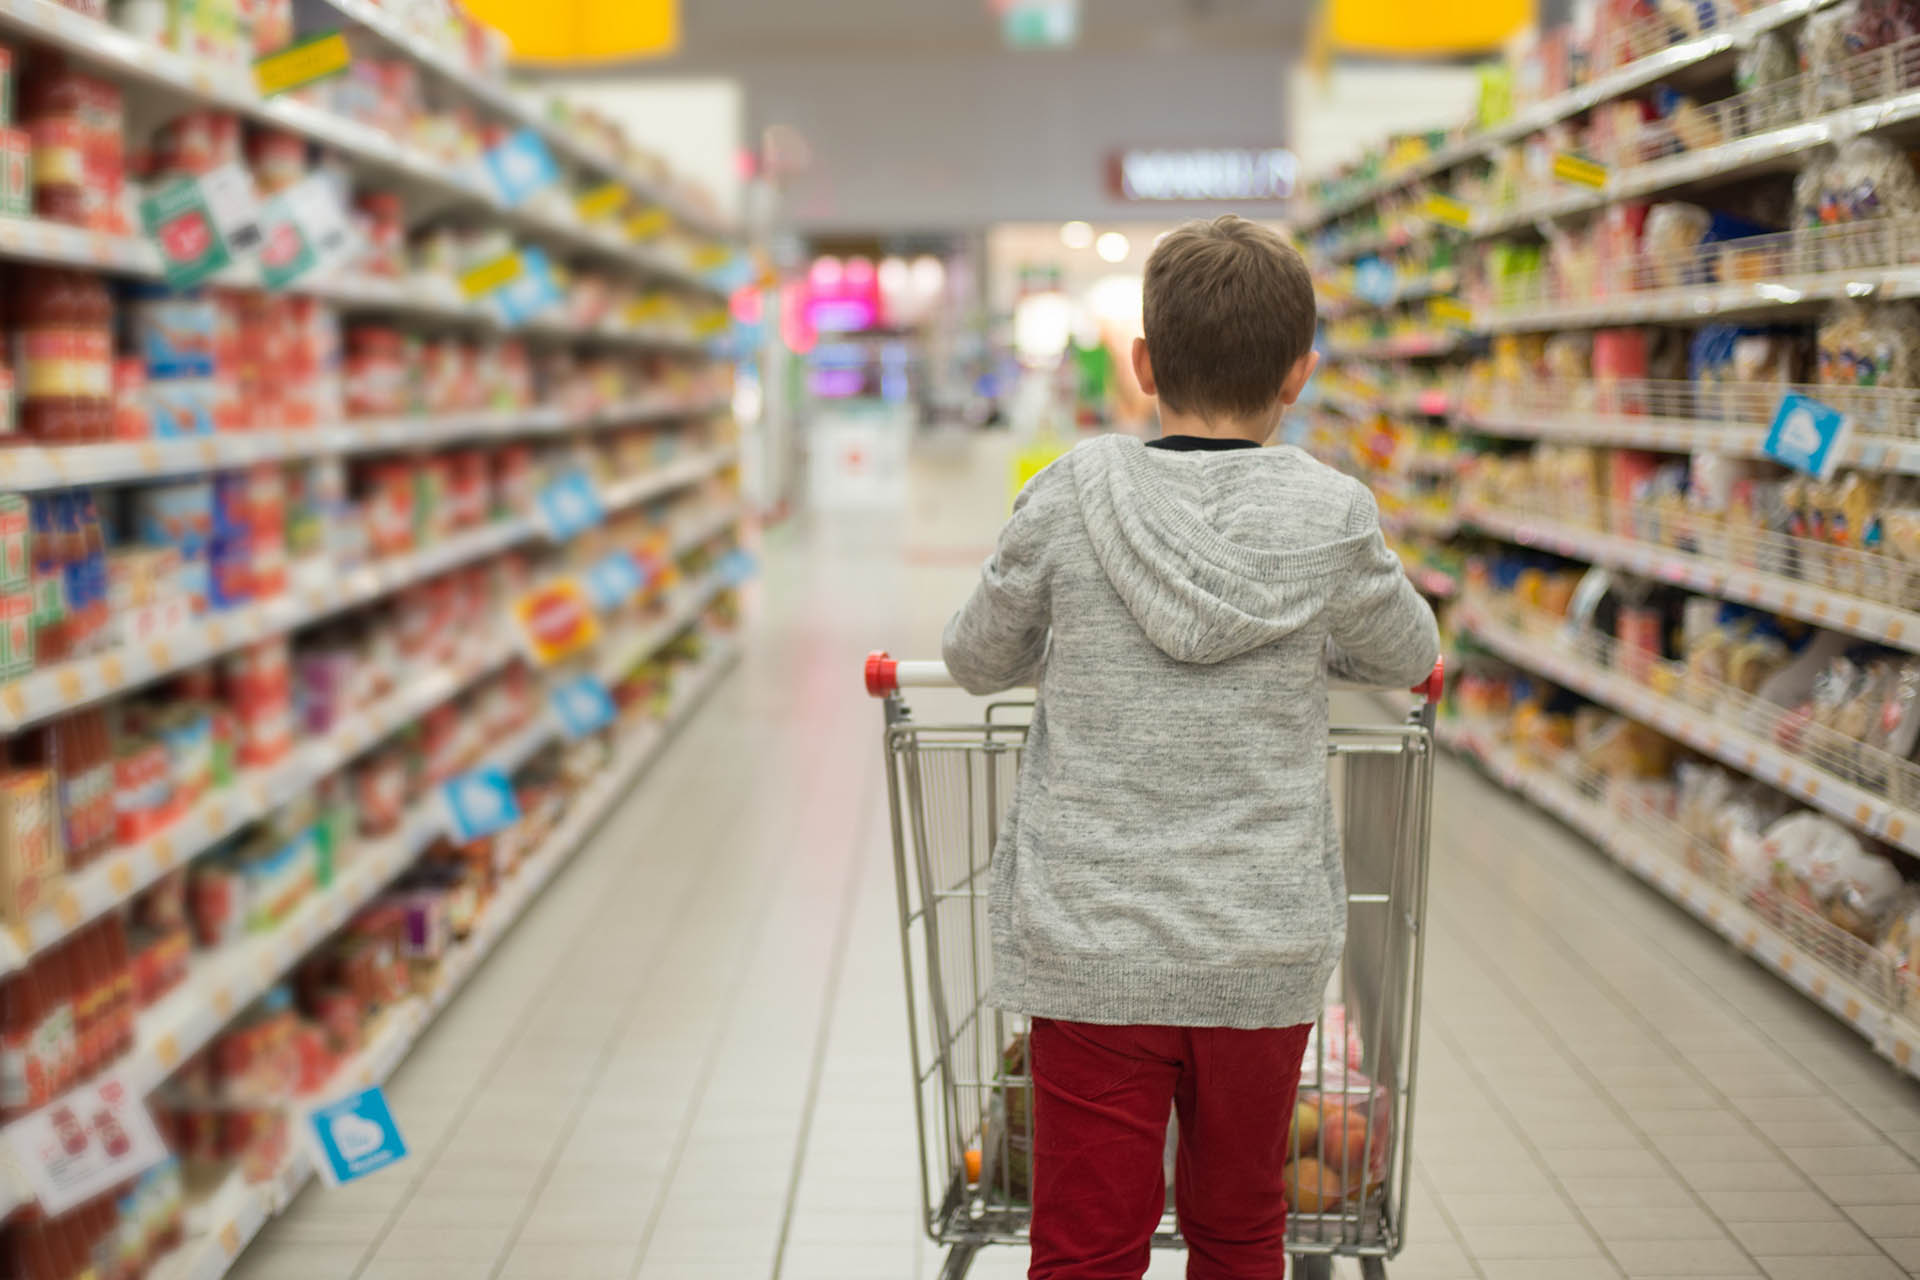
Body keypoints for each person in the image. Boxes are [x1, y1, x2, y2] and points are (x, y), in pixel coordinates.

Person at [941, 214, 1440, 1280]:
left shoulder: (1068, 494)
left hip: (1093, 943)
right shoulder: (1332, 509)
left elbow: (977, 657)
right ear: (1298, 374)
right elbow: (1407, 651)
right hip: (1259, 946)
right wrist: (1309, 645)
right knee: (1242, 1229)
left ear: (1144, 364)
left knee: (1084, 1244)